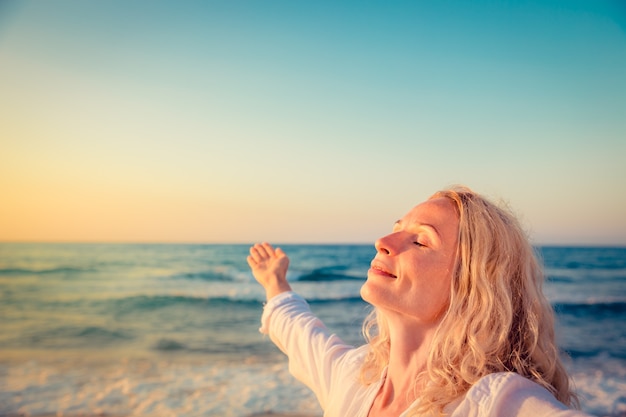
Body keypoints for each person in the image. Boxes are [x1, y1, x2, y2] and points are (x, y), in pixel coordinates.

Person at [247, 186, 590, 417]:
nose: (382, 241)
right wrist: (274, 281)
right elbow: (298, 331)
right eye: (397, 228)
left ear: (471, 286)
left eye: (421, 242)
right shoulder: (353, 378)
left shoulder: (498, 402)